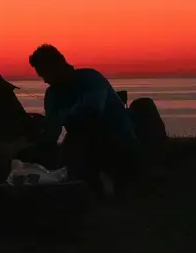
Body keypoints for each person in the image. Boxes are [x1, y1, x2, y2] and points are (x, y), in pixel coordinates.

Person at [27, 43, 140, 191]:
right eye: (41, 76)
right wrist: (38, 129)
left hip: (117, 141)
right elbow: (51, 133)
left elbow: (91, 112)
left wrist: (61, 118)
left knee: (78, 137)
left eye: (45, 73)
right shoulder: (52, 94)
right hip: (84, 146)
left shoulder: (90, 78)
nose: (45, 80)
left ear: (59, 64)